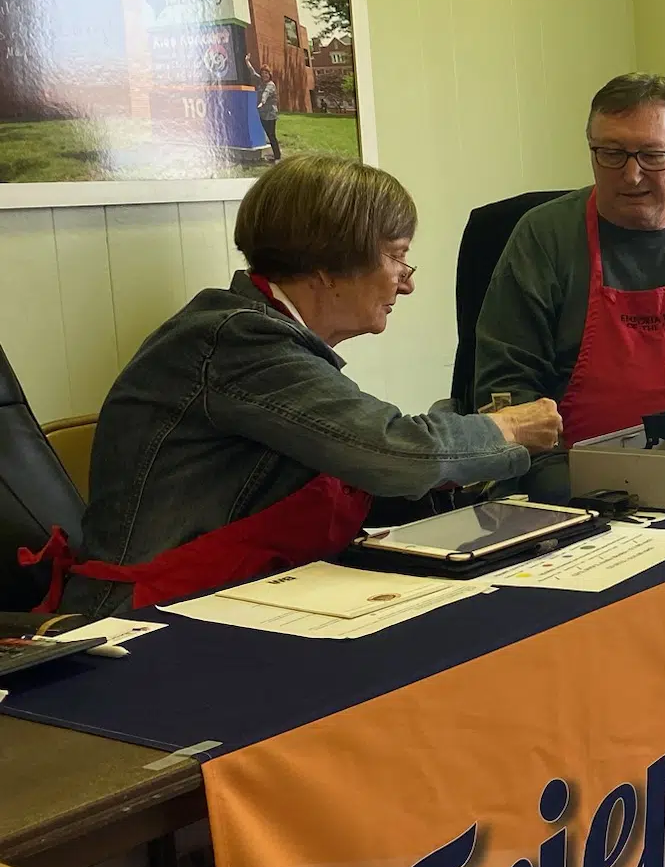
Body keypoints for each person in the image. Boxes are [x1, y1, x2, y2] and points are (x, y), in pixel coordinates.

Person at [25, 154, 561, 619]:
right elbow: (397, 453)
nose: (408, 280)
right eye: (397, 255)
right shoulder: (239, 341)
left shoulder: (258, 335)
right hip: (145, 624)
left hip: (226, 597)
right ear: (328, 267)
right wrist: (507, 428)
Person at [471, 73, 665, 495]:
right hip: (582, 484)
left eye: (653, 156)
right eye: (611, 154)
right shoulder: (543, 238)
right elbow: (504, 394)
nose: (631, 176)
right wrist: (573, 487)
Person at [248, 55, 283, 162]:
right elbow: (253, 73)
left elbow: (266, 93)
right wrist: (247, 61)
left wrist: (262, 102)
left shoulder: (270, 85)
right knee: (269, 135)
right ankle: (276, 155)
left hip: (270, 114)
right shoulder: (261, 82)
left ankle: (277, 157)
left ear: (269, 74)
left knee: (271, 135)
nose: (264, 76)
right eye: (263, 74)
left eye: (266, 74)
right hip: (262, 113)